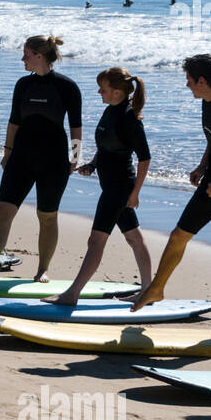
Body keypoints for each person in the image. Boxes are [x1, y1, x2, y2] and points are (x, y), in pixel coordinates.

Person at [130, 54, 211, 342]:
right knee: (179, 235)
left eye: (189, 80)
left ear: (203, 81)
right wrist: (203, 166)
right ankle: (157, 288)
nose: (187, 85)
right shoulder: (208, 101)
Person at [0, 35, 82, 279]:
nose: (23, 59)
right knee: (3, 211)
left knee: (47, 216)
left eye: (26, 54)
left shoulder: (67, 87)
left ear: (39, 56)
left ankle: (43, 270)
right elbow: (13, 122)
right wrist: (6, 153)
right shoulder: (23, 85)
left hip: (53, 160)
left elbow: (76, 127)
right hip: (21, 157)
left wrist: (75, 158)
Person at [45, 68, 152, 306]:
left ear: (117, 92)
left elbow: (145, 158)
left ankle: (72, 294)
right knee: (134, 238)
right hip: (111, 185)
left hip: (120, 188)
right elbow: (107, 148)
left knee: (96, 240)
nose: (99, 92)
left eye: (103, 89)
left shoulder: (129, 118)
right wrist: (92, 164)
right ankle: (147, 290)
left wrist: (135, 193)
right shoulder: (111, 110)